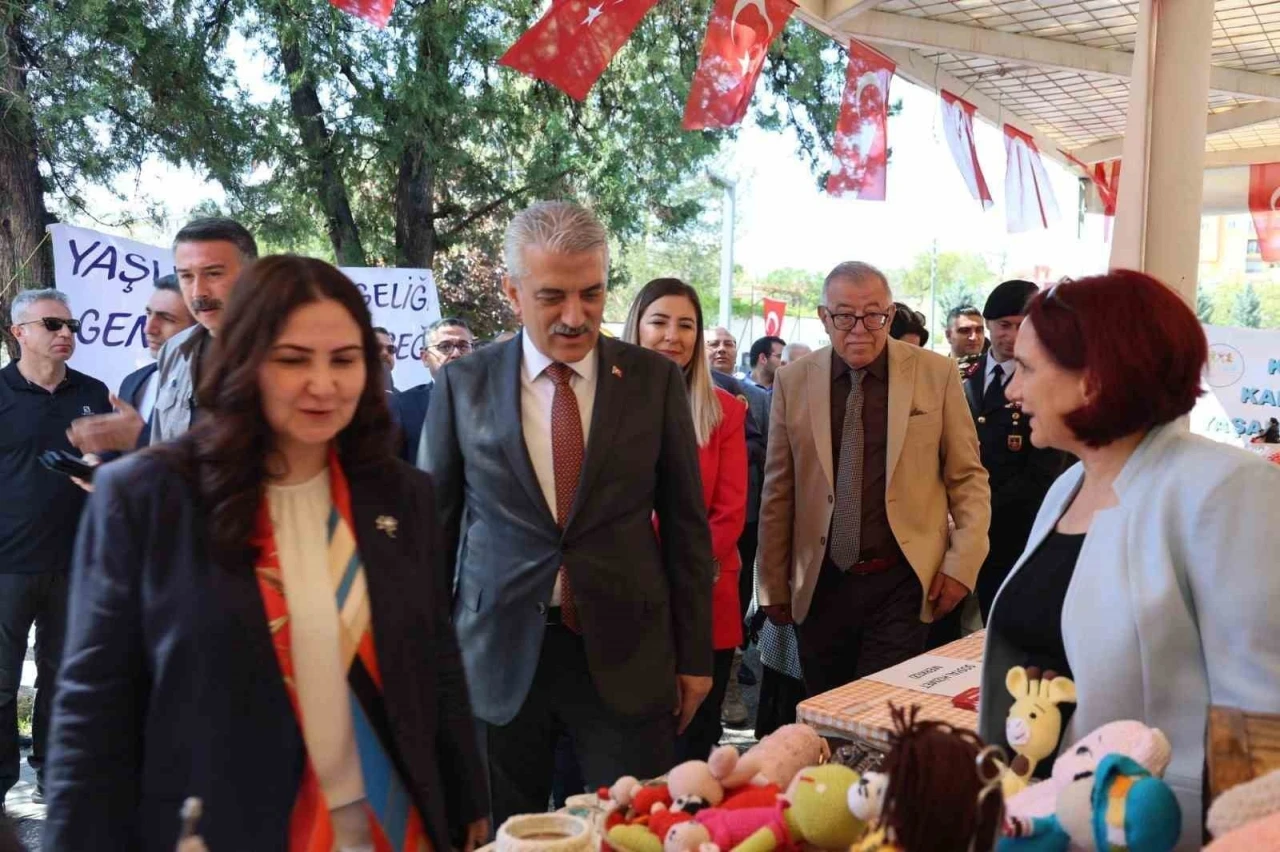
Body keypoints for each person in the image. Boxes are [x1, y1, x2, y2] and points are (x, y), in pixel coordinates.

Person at [45, 256, 489, 851]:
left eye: (344, 359)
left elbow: (436, 656)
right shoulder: (148, 495)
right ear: (245, 361)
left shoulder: (402, 494)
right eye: (293, 359)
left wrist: (468, 802)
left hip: (392, 825)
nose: (323, 384)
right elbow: (93, 708)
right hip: (224, 829)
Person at [426, 201, 713, 827]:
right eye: (552, 296)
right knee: (503, 834)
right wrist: (429, 665)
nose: (576, 316)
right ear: (513, 292)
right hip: (496, 656)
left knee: (632, 830)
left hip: (627, 653)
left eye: (592, 293)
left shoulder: (653, 381)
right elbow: (433, 536)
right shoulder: (463, 385)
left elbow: (687, 529)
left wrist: (696, 657)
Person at [977, 270, 1280, 849]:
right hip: (1045, 820)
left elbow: (1259, 719)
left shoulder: (1224, 488)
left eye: (1028, 369)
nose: (1012, 389)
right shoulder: (1065, 489)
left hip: (1156, 829)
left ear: (1092, 380)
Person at [757, 261, 990, 698]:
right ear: (824, 317)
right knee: (827, 711)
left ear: (890, 313)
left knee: (881, 709)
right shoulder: (794, 381)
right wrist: (771, 580)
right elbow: (779, 489)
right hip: (820, 583)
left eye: (874, 315)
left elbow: (968, 479)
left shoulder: (935, 373)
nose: (860, 329)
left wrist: (963, 564)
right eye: (845, 316)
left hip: (902, 582)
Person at [623, 278, 748, 761]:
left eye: (686, 325)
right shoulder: (601, 407)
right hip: (621, 598)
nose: (672, 336)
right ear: (636, 326)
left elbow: (729, 513)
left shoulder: (726, 411)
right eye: (659, 322)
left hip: (701, 598)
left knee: (692, 748)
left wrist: (668, 569)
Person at [0, 290, 111, 814]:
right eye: (52, 324)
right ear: (18, 332)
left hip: (77, 563)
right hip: (7, 566)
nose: (66, 333)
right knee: (1, 684)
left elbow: (112, 468)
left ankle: (54, 773)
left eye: (71, 325)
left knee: (64, 677)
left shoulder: (93, 392)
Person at [705, 326, 769, 727]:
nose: (721, 350)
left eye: (728, 343)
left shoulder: (746, 398)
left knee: (733, 598)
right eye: (714, 343)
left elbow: (765, 447)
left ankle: (732, 667)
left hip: (737, 520)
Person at [115, 275, 197, 448]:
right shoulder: (133, 381)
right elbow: (118, 449)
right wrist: (97, 458)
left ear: (197, 329)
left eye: (167, 319)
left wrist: (139, 435)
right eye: (148, 313)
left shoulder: (213, 388)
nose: (148, 329)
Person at [389, 317, 474, 464]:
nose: (456, 353)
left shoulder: (497, 399)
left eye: (463, 346)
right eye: (445, 347)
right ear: (425, 357)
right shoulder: (403, 406)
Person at [374, 326, 397, 391]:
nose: (385, 353)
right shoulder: (350, 393)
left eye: (390, 349)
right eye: (377, 348)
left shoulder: (401, 396)